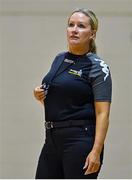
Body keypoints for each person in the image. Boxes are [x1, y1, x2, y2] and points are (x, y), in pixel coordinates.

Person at [33, 8, 112, 179]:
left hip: (80, 140)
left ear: (92, 34)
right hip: (52, 139)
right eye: (71, 25)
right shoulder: (59, 59)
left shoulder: (97, 66)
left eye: (81, 26)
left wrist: (96, 151)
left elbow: (103, 113)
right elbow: (62, 98)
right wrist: (39, 95)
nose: (74, 30)